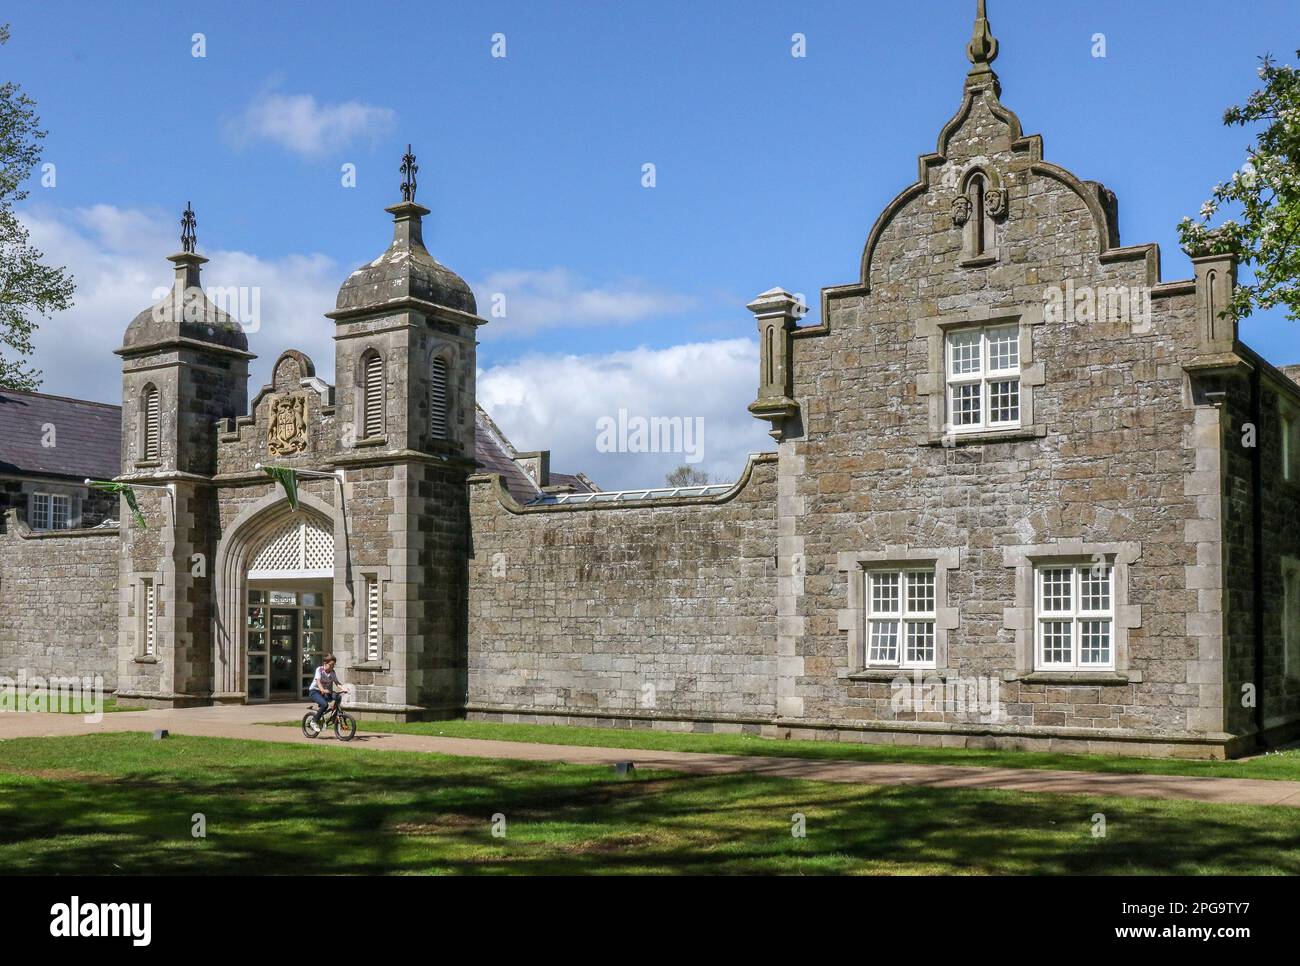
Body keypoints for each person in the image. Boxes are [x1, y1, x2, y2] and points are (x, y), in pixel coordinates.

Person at [309, 654, 345, 723]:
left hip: (325, 692)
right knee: (325, 705)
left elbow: (337, 683)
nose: (333, 666)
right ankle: (314, 721)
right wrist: (322, 689)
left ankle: (333, 716)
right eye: (331, 664)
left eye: (334, 665)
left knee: (338, 696)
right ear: (325, 663)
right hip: (314, 692)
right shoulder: (320, 670)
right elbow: (318, 681)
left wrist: (343, 688)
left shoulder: (332, 672)